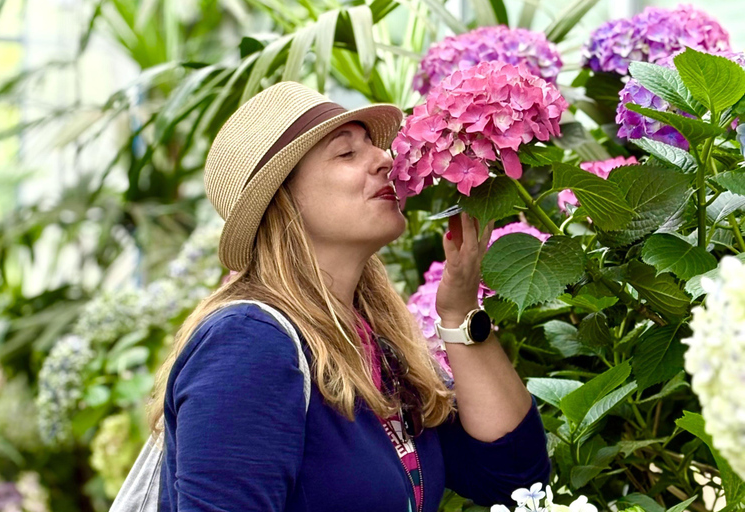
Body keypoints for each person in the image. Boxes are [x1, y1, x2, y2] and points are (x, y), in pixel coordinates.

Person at [145, 81, 550, 512]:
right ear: (283, 199)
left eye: (373, 147)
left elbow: (514, 480)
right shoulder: (247, 344)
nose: (386, 159)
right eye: (347, 153)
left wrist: (460, 311)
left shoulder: (374, 344)